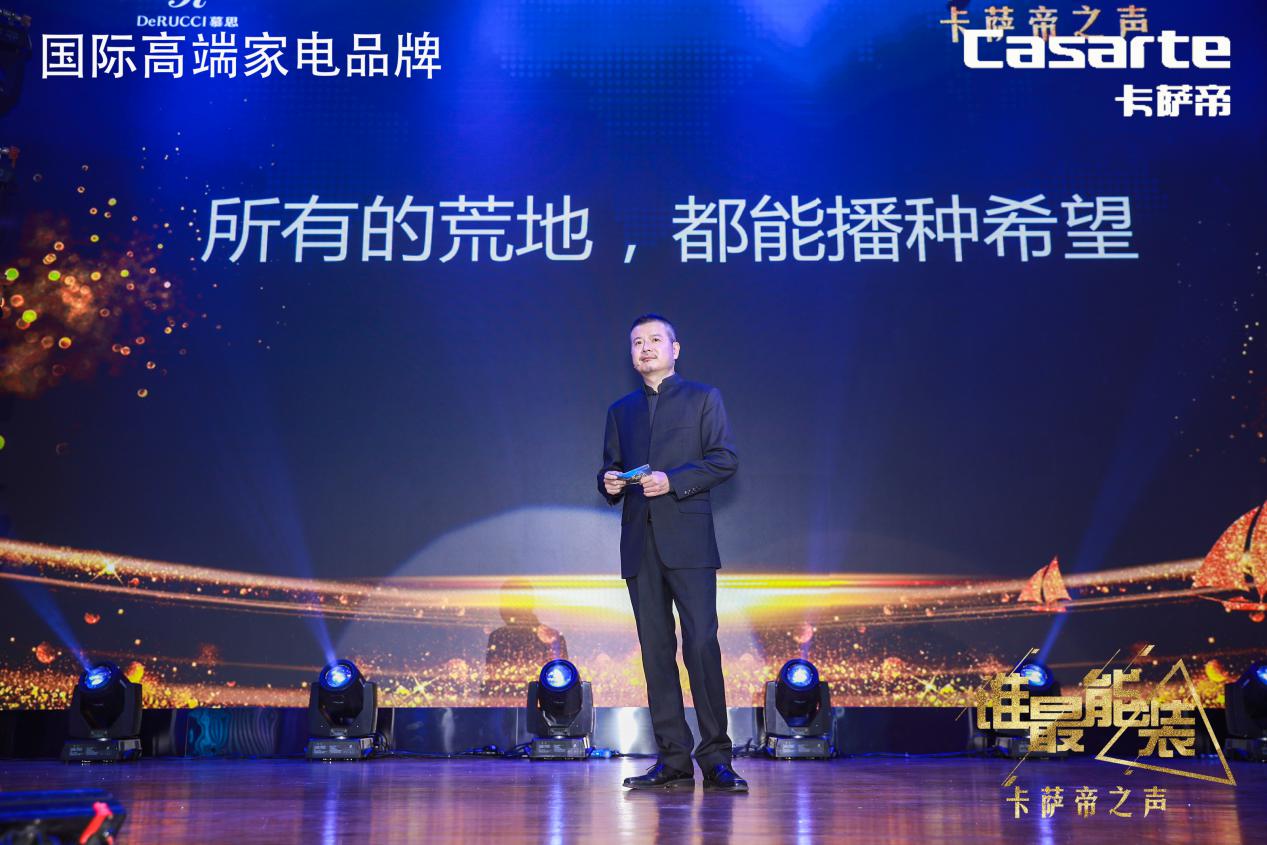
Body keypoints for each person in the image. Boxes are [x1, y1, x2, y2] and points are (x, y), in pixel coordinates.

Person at [598, 314, 746, 792]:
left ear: (675, 348)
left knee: (701, 644)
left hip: (690, 541)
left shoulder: (703, 397)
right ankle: (673, 759)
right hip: (639, 543)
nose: (645, 348)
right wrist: (609, 482)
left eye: (655, 340)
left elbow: (724, 459)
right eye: (637, 342)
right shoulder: (621, 410)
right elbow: (612, 467)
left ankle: (717, 757)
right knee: (656, 652)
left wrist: (673, 480)